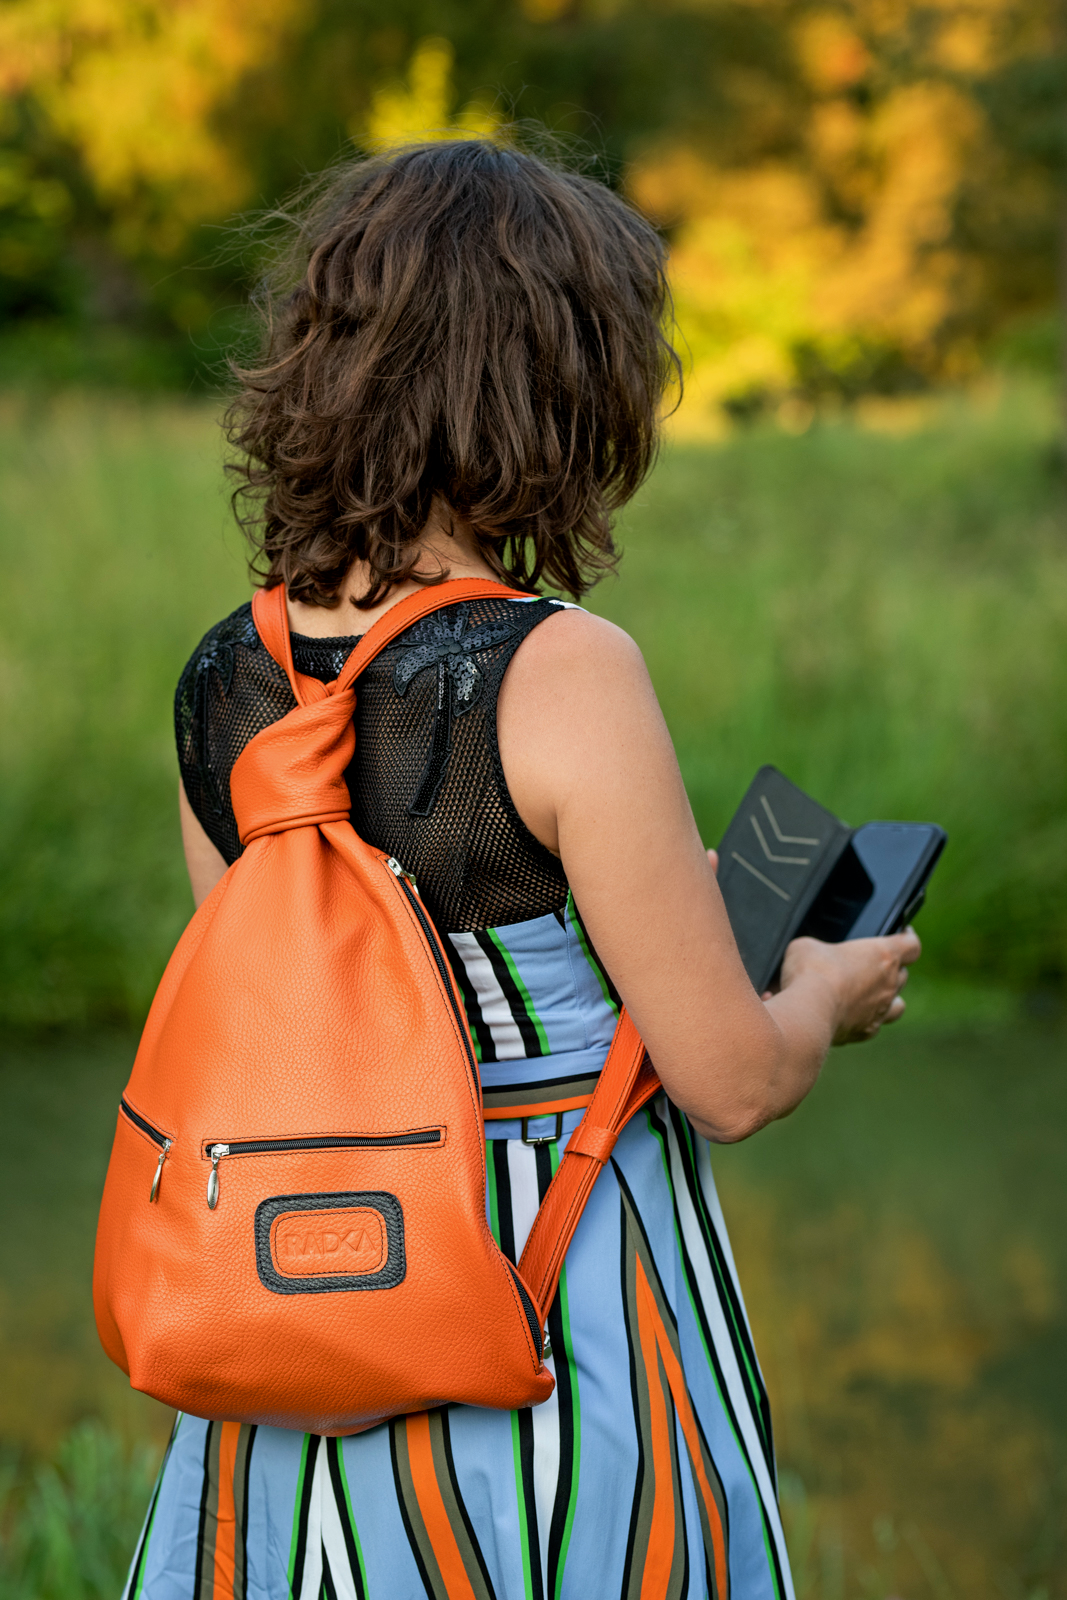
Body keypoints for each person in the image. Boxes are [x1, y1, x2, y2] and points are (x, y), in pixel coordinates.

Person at [129, 139, 920, 1600]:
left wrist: (648, 900)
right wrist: (822, 987)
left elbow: (304, 1016)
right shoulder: (559, 666)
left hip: (299, 1317)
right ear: (557, 381)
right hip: (541, 1315)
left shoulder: (222, 675)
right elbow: (728, 1082)